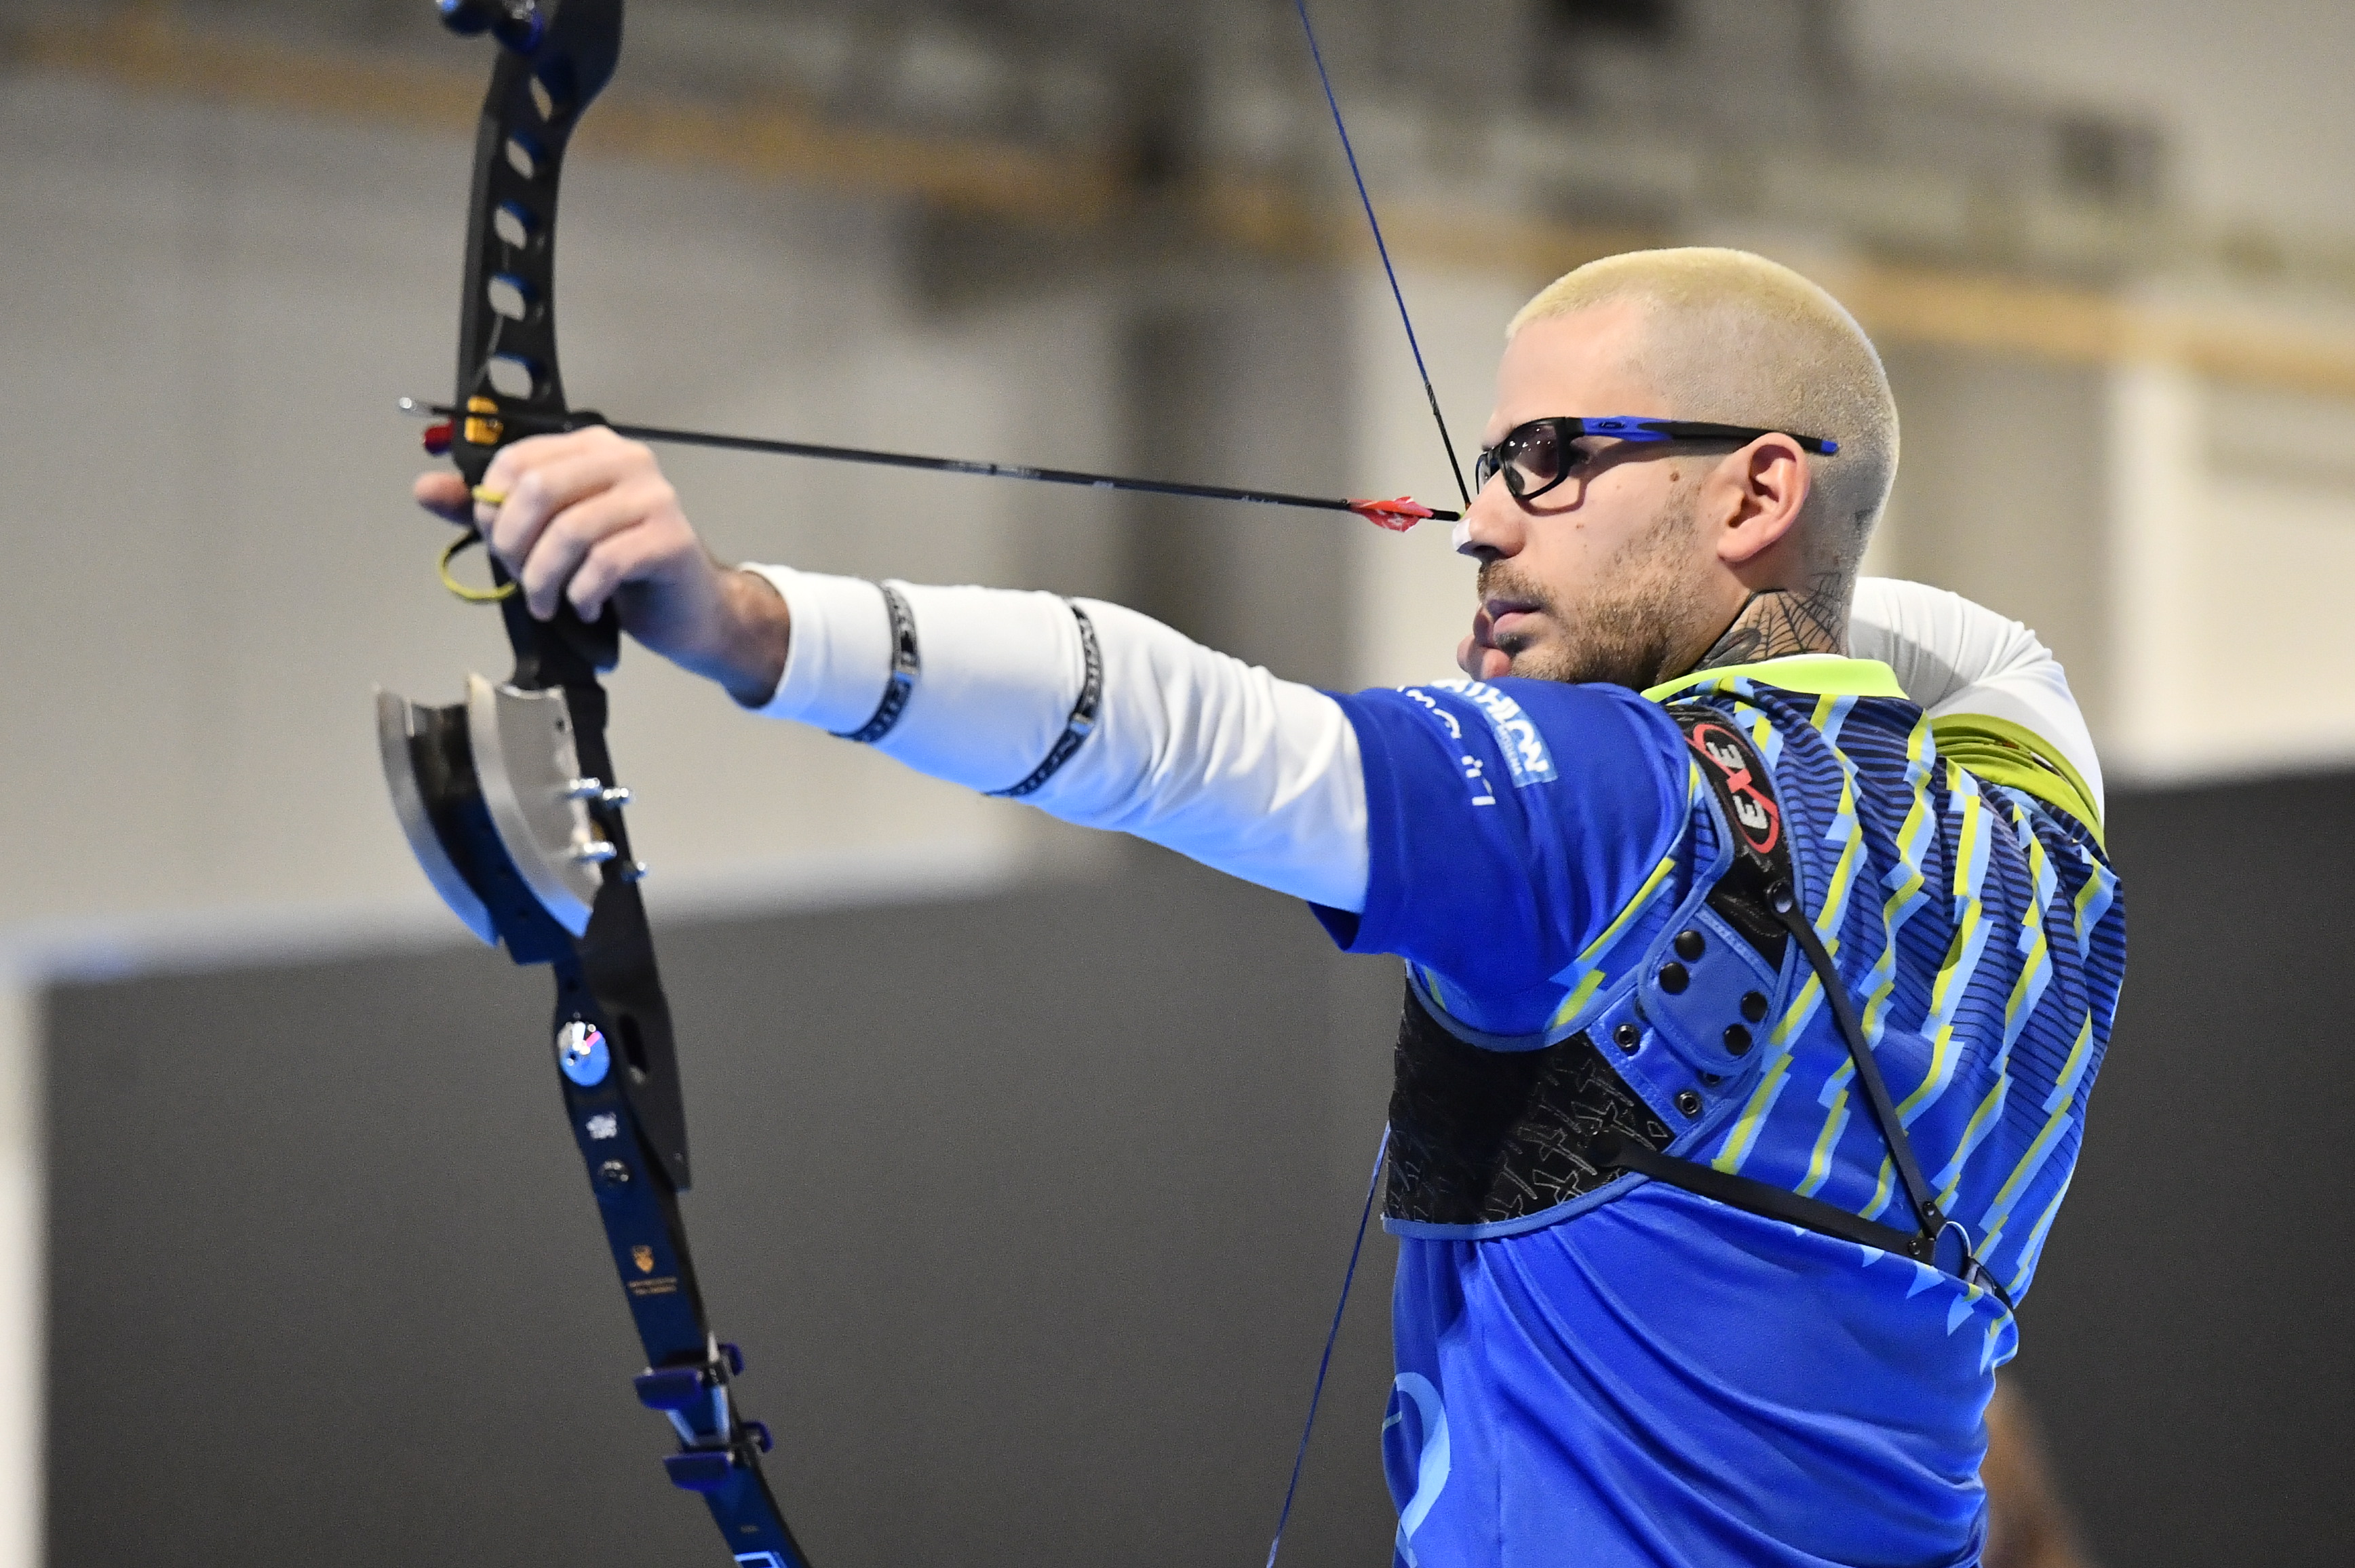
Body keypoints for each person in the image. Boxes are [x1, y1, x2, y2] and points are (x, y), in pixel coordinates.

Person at [417, 247, 2123, 1567]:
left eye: (1548, 458)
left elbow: (1191, 734)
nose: (1478, 523)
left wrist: (738, 621)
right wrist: (1724, 563)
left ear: (1755, 488)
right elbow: (1980, 646)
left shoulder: (1617, 808)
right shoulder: (2034, 840)